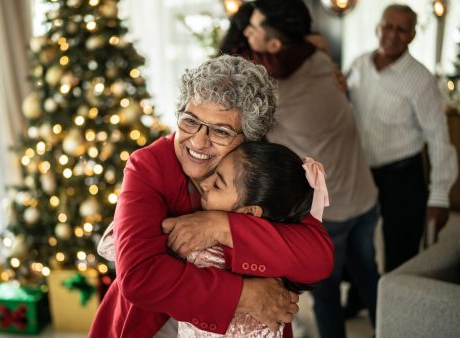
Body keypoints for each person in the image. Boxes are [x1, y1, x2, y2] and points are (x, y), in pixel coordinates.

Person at [89, 55, 334, 338]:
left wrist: (222, 227)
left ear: (249, 138)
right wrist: (245, 295)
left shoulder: (258, 168)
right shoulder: (148, 165)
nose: (198, 141)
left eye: (220, 131)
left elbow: (317, 259)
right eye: (190, 121)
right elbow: (140, 277)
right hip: (152, 323)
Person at [239, 1, 380, 337]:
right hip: (365, 195)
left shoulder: (273, 93)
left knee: (325, 292)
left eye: (253, 28)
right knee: (369, 275)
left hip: (331, 213)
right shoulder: (319, 59)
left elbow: (234, 69)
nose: (246, 32)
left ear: (274, 45)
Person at [176, 141, 329, 338]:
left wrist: (221, 225)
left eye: (217, 184)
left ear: (249, 211)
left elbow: (320, 259)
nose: (203, 183)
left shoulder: (284, 247)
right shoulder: (277, 219)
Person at [346, 4, 458, 272]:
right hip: (363, 172)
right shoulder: (359, 64)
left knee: (401, 252)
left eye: (401, 29)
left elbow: (439, 138)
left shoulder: (421, 79)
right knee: (357, 243)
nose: (392, 35)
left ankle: (398, 308)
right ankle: (359, 298)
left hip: (403, 177)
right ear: (378, 28)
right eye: (388, 26)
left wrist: (439, 197)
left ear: (412, 35)